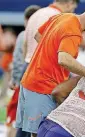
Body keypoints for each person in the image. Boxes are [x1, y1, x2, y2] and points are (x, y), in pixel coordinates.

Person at [16, 2, 85, 137]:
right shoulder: (74, 31)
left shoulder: (62, 17)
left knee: (34, 133)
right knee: (41, 134)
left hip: (30, 82)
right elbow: (64, 59)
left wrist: (50, 54)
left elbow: (38, 35)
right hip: (43, 87)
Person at [7, 5, 41, 137]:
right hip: (36, 82)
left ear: (27, 19)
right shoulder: (42, 34)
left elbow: (17, 60)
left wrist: (14, 79)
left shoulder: (24, 34)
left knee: (15, 117)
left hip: (23, 79)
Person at [23, 0, 79, 67]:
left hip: (28, 65)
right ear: (70, 2)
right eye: (73, 8)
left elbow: (25, 45)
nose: (72, 12)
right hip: (43, 67)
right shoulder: (59, 17)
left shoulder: (36, 14)